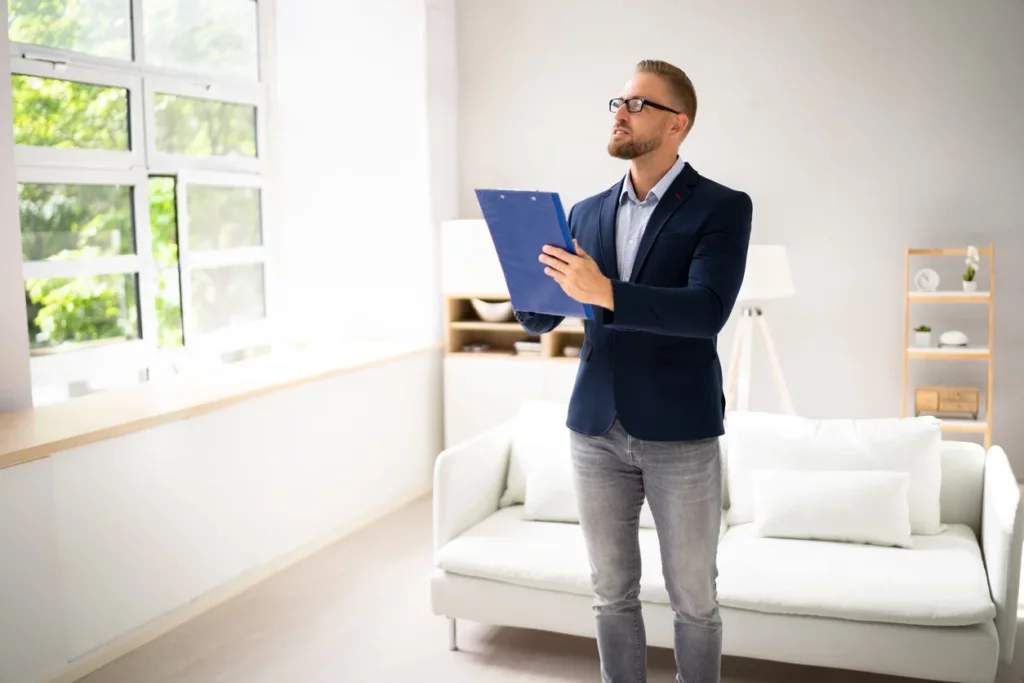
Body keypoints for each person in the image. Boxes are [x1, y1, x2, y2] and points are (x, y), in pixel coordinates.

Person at [513, 59, 752, 683]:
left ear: (679, 124)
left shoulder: (724, 207)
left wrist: (606, 289)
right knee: (610, 592)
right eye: (617, 100)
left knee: (695, 602)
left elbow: (707, 311)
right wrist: (528, 279)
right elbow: (542, 321)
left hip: (682, 434)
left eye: (638, 103)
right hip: (595, 430)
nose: (621, 111)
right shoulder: (586, 212)